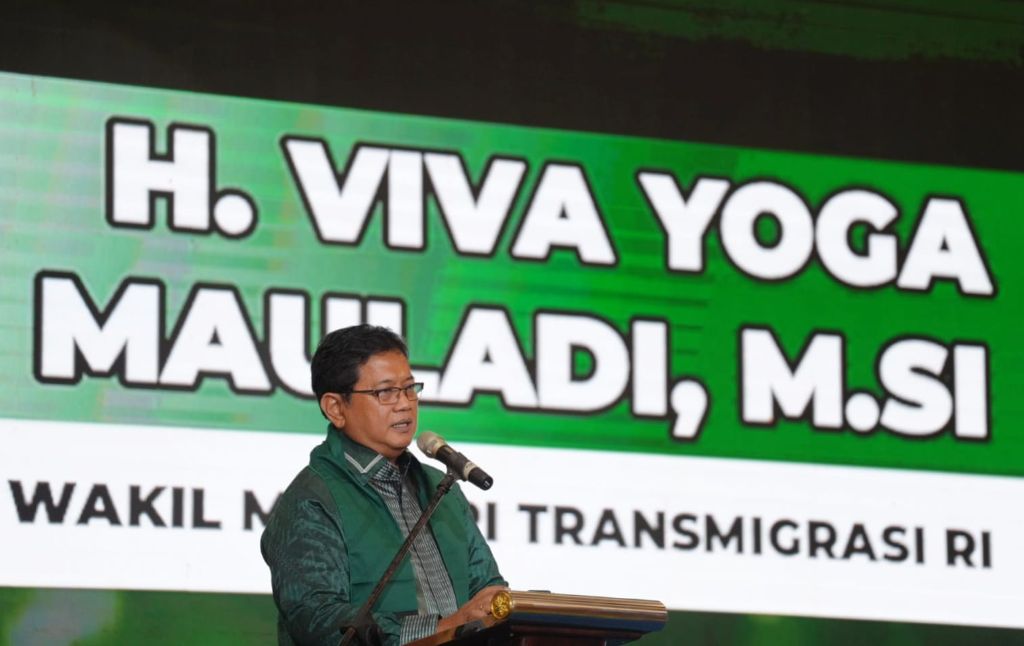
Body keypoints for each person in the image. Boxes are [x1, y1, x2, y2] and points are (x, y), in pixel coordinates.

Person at [261, 325, 506, 645]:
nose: (404, 404)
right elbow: (319, 621)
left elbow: (487, 588)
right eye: (385, 392)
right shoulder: (311, 501)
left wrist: (497, 607)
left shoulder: (442, 489)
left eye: (409, 388)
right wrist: (445, 628)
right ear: (336, 408)